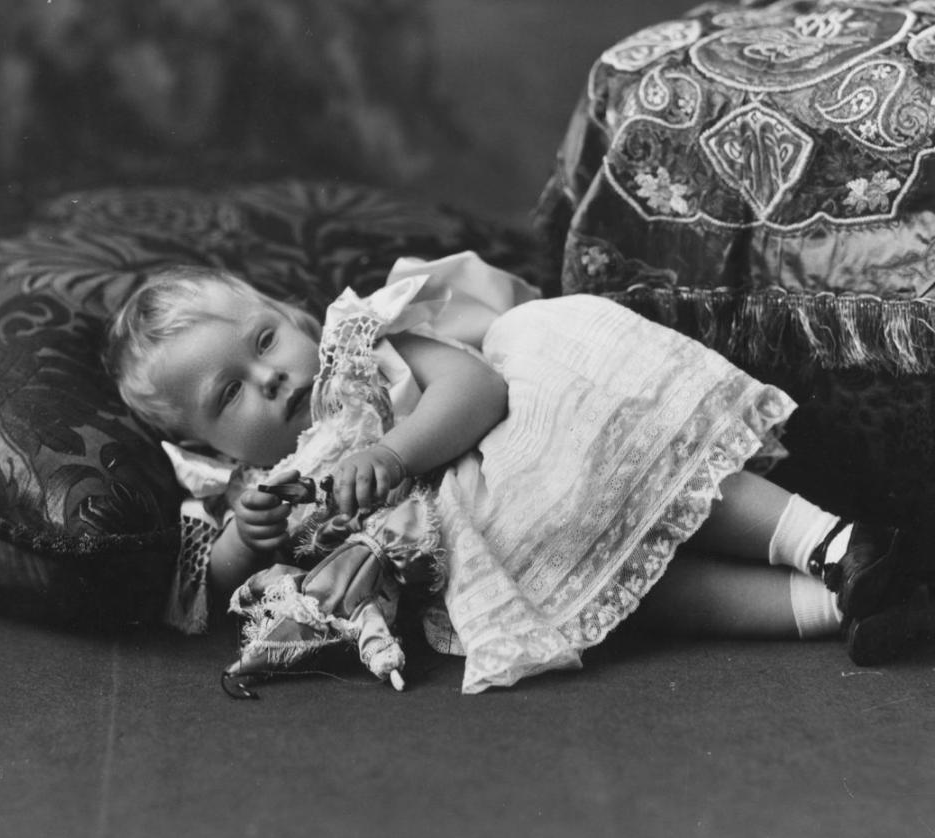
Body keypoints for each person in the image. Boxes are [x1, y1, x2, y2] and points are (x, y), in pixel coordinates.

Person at [104, 252, 933, 693]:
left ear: (286, 318)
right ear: (210, 450)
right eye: (228, 394)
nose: (272, 378)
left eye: (261, 345)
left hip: (527, 453)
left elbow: (476, 387)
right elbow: (207, 593)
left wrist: (391, 453)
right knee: (632, 597)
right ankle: (844, 606)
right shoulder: (253, 490)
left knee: (636, 472)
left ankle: (828, 541)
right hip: (510, 552)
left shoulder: (358, 353)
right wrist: (250, 541)